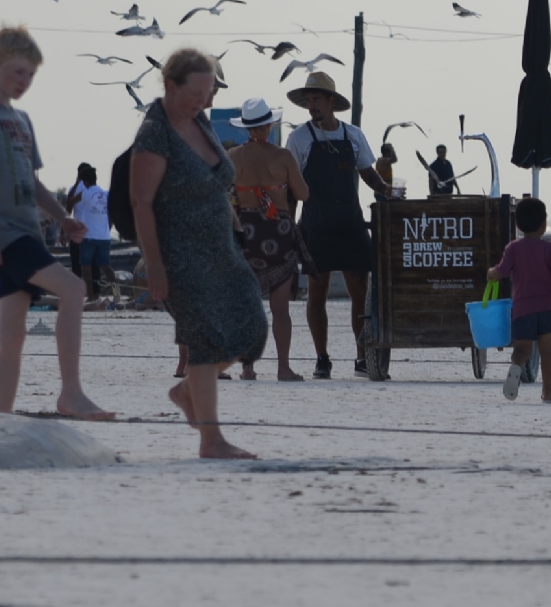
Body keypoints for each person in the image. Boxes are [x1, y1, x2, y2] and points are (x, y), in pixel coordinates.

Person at [0, 25, 113, 421]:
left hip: (28, 230)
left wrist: (62, 218)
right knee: (74, 289)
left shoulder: (21, 119)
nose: (24, 81)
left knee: (12, 335)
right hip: (5, 234)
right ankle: (71, 394)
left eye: (30, 75)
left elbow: (32, 180)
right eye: (17, 72)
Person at [130, 48, 262, 458]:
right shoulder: (155, 132)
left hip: (223, 249)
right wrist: (154, 265)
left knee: (251, 330)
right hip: (180, 255)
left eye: (211, 92)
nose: (206, 100)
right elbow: (142, 203)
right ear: (171, 86)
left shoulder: (199, 121)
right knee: (206, 342)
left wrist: (236, 226)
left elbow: (215, 184)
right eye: (198, 91)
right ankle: (212, 440)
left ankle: (188, 391)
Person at [284, 71, 390, 379]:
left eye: (317, 99)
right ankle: (321, 358)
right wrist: (289, 225)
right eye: (309, 99)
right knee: (317, 292)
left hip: (350, 223)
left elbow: (368, 174)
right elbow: (291, 186)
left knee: (361, 292)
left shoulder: (353, 135)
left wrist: (386, 191)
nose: (312, 105)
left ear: (332, 101)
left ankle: (361, 356)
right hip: (315, 223)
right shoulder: (299, 138)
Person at [227, 97, 311, 382]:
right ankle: (283, 367)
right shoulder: (283, 157)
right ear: (270, 124)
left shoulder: (233, 157)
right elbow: (303, 195)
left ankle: (248, 367)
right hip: (279, 232)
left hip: (247, 232)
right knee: (280, 309)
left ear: (247, 128)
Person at [487, 197, 551, 405]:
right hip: (546, 307)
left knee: (522, 349)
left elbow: (501, 272)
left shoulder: (513, 248)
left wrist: (490, 272)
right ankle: (547, 392)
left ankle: (516, 369)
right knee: (547, 352)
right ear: (544, 224)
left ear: (517, 224)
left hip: (523, 308)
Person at [67, 163, 114, 298]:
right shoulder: (106, 193)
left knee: (86, 267)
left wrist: (77, 183)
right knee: (105, 266)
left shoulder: (85, 193)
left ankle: (91, 295)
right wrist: (109, 227)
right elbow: (111, 213)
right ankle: (116, 293)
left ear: (84, 181)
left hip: (89, 237)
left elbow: (69, 202)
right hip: (104, 237)